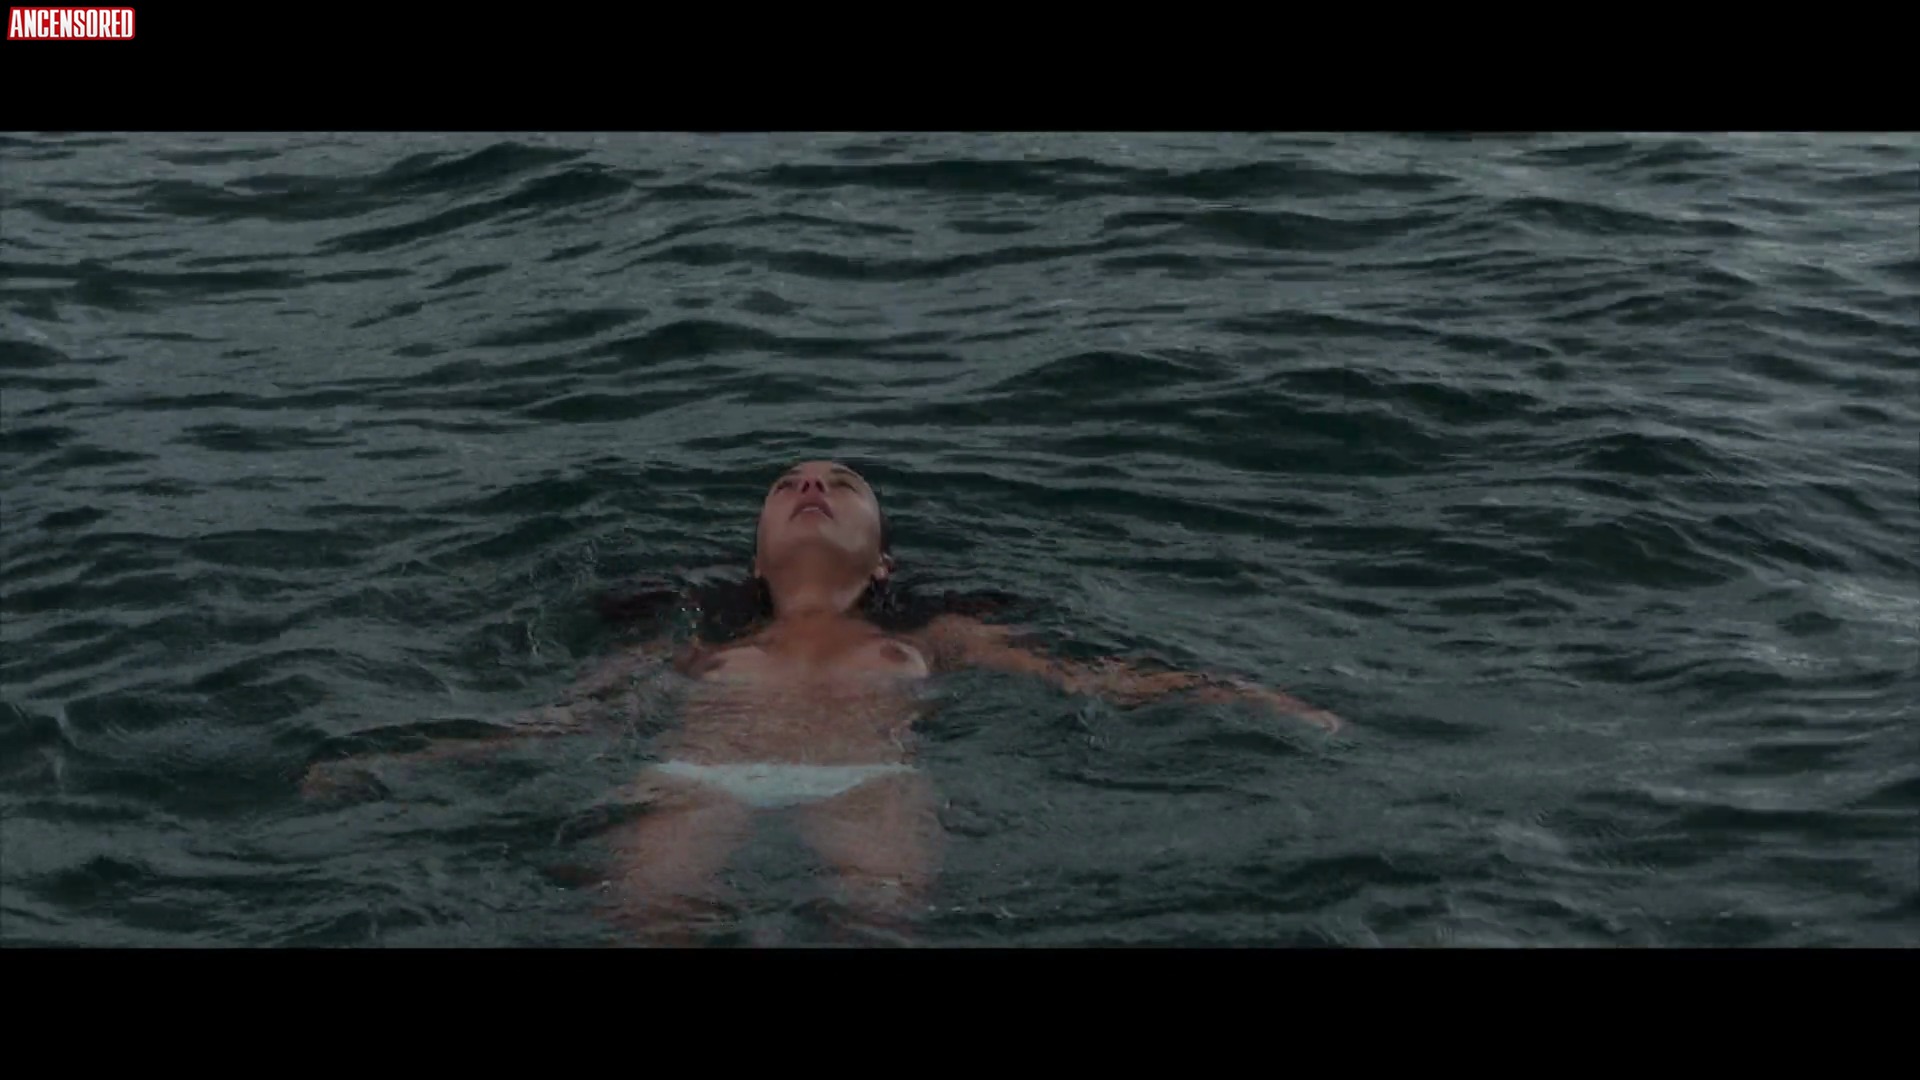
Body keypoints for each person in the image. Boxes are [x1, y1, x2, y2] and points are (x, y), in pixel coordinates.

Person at [302, 460, 1342, 945]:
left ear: (882, 558)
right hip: (699, 774)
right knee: (646, 918)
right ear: (755, 557)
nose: (811, 488)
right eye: (789, 487)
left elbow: (1094, 680)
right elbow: (565, 720)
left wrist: (1249, 696)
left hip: (869, 777)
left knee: (877, 920)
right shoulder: (697, 641)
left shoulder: (936, 635)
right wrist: (404, 756)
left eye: (839, 484)